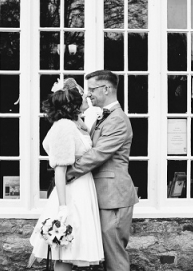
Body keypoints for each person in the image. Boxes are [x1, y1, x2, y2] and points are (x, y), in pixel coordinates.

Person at [28, 78, 104, 270]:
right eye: (82, 93)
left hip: (83, 190)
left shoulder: (77, 123)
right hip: (71, 194)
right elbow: (60, 171)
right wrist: (63, 208)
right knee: (64, 251)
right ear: (75, 103)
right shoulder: (64, 126)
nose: (87, 95)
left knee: (73, 251)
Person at [67, 70, 139, 271]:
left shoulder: (117, 119)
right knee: (105, 257)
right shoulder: (103, 117)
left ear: (106, 89)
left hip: (113, 196)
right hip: (103, 195)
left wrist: (68, 173)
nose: (88, 94)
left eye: (91, 89)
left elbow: (98, 154)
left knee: (114, 257)